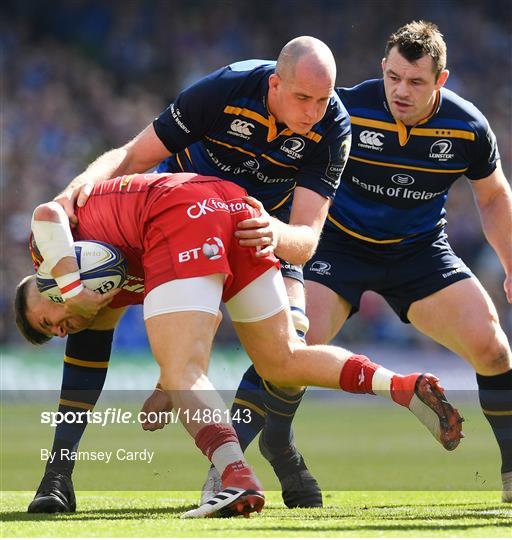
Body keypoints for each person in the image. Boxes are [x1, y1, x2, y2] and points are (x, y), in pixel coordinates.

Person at [17, 172, 463, 517]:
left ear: (37, 288)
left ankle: (236, 474)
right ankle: (402, 385)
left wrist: (71, 287)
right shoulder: (103, 298)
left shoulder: (52, 264)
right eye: (55, 335)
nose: (60, 330)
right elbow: (199, 311)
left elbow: (46, 212)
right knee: (283, 360)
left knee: (183, 373)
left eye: (46, 322)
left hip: (177, 212)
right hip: (233, 209)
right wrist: (166, 382)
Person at [50, 35, 352, 508]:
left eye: (323, 98)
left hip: (256, 228)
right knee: (96, 305)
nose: (314, 110)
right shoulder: (224, 90)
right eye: (303, 98)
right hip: (180, 216)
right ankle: (57, 474)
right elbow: (135, 156)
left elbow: (307, 237)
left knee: (293, 339)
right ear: (275, 83)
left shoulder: (333, 126)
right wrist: (78, 190)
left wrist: (272, 233)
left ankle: (259, 455)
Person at [221, 20, 512, 504]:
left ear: (441, 80)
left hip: (420, 253)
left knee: (495, 350)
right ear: (382, 68)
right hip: (339, 249)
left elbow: (494, 197)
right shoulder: (344, 111)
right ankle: (231, 466)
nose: (401, 90)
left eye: (416, 82)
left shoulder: (468, 127)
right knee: (289, 348)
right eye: (394, 76)